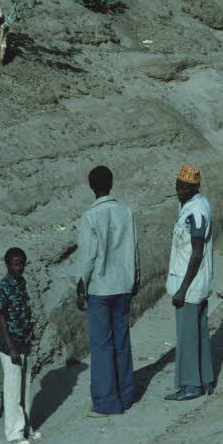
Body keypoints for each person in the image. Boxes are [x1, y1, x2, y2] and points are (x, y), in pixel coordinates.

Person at [74, 165, 140, 417]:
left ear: (92, 186)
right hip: (123, 284)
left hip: (100, 287)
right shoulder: (126, 211)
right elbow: (134, 248)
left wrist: (81, 285)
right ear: (111, 183)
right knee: (121, 340)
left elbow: (88, 257)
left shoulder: (90, 216)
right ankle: (125, 395)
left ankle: (105, 402)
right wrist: (135, 279)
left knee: (101, 345)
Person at [164, 164, 215, 401]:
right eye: (178, 186)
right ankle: (205, 380)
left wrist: (182, 289)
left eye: (184, 187)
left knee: (187, 336)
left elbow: (196, 253)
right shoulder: (192, 206)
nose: (179, 190)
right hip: (195, 283)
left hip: (190, 284)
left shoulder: (196, 212)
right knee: (200, 333)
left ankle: (190, 385)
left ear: (195, 187)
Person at [0, 247, 41, 444]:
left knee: (24, 388)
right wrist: (10, 347)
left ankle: (26, 428)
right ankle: (14, 433)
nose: (19, 267)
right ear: (7, 264)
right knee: (12, 390)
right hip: (10, 346)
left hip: (24, 342)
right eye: (15, 263)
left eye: (22, 263)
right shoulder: (3, 287)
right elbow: (0, 317)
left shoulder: (21, 284)